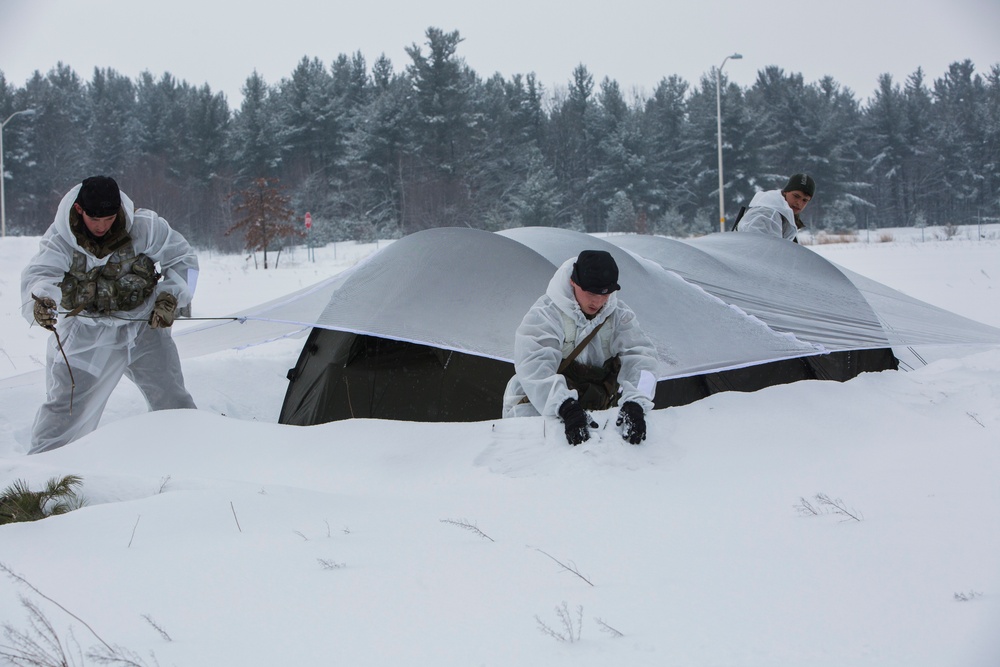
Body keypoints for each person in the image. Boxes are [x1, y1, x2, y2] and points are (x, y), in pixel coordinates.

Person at [21, 176, 199, 454]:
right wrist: (41, 301)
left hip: (143, 326)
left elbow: (185, 261)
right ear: (80, 210)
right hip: (87, 334)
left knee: (172, 398)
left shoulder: (145, 228)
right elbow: (40, 275)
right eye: (95, 218)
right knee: (66, 407)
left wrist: (171, 298)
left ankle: (191, 455)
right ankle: (42, 475)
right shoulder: (61, 238)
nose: (102, 225)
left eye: (109, 217)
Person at [502, 250, 659, 445]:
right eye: (591, 293)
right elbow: (534, 366)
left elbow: (643, 358)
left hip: (595, 417)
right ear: (573, 282)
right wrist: (565, 405)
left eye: (606, 294)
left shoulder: (620, 316)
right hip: (539, 414)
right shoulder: (545, 314)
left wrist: (636, 401)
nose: (598, 301)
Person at [735, 173, 816, 241]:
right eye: (796, 196)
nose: (799, 203)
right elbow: (757, 249)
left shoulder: (784, 216)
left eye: (805, 200)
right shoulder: (768, 215)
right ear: (786, 192)